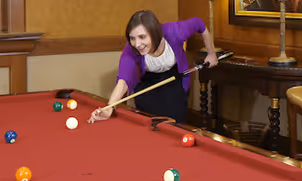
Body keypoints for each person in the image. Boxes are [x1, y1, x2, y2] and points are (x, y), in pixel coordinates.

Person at [89, 10, 218, 124]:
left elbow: (199, 24)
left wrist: (211, 53)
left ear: (154, 32)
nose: (137, 44)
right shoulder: (130, 50)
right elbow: (123, 82)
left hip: (174, 78)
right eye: (132, 38)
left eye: (142, 37)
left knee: (175, 118)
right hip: (148, 83)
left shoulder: (175, 31)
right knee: (149, 122)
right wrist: (109, 107)